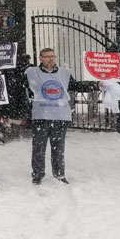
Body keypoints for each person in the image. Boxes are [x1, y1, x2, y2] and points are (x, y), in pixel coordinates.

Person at [26, 47, 89, 184]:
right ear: (41, 58)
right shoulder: (32, 73)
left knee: (58, 148)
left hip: (60, 116)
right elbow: (20, 86)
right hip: (41, 116)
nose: (50, 59)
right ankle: (38, 174)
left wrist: (97, 84)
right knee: (38, 148)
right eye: (47, 56)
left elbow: (76, 85)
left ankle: (59, 174)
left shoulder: (64, 74)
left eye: (52, 56)